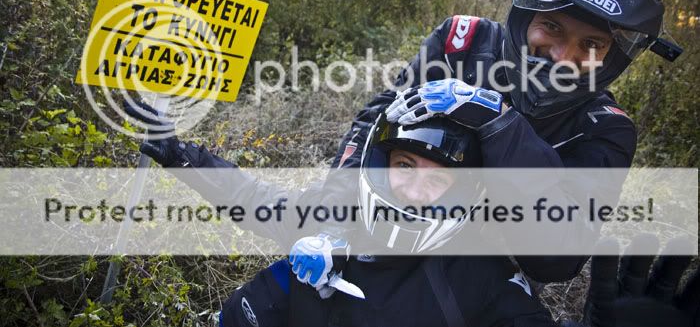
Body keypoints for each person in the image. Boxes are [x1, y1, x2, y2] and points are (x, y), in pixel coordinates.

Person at [291, 0, 684, 286]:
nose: (565, 56)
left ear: (614, 56)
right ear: (527, 14)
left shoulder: (604, 129)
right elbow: (376, 122)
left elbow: (556, 261)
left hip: (477, 275)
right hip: (389, 224)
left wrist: (497, 120)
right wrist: (333, 221)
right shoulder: (463, 42)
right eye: (553, 28)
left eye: (592, 45)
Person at [124, 102, 700, 327]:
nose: (417, 188)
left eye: (440, 176)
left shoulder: (488, 280)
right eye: (404, 163)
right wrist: (182, 154)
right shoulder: (338, 215)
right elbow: (255, 200)